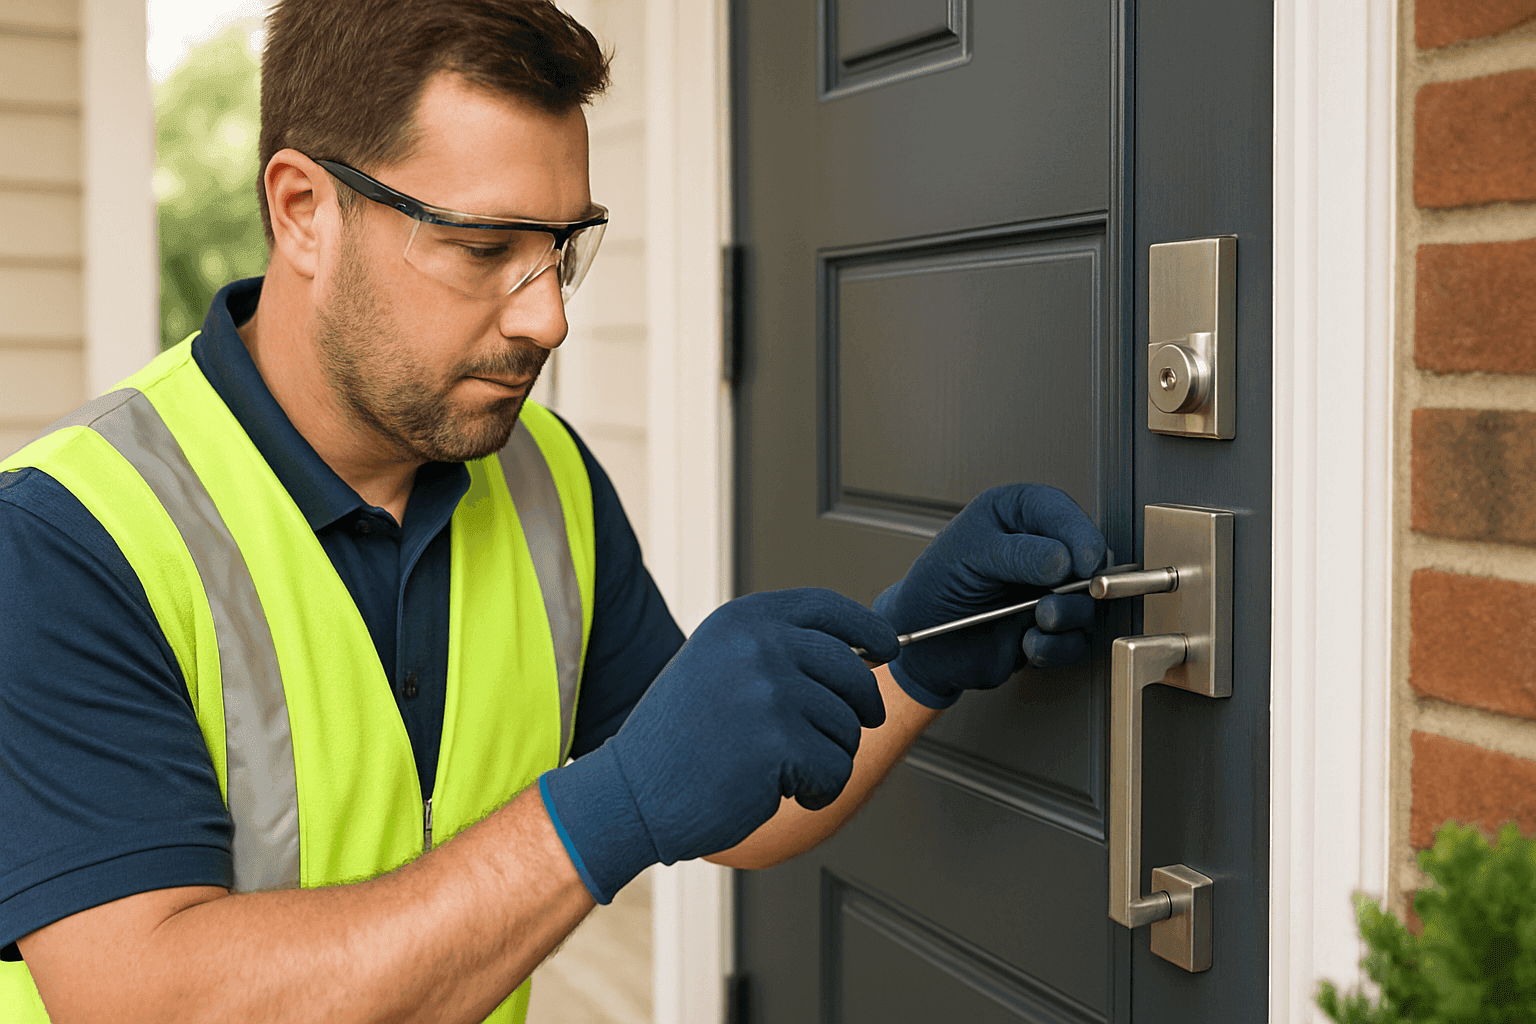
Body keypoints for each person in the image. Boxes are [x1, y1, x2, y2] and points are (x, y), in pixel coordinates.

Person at [0, 2, 1107, 1022]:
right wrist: (601, 811)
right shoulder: (73, 533)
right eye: (486, 250)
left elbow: (737, 798)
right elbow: (147, 999)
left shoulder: (543, 477)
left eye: (562, 248)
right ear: (303, 212)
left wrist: (917, 653)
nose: (547, 321)